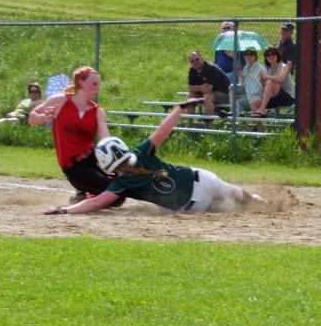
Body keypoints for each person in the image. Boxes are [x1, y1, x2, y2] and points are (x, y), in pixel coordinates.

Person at [43, 99, 265, 216]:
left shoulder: (120, 183)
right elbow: (162, 131)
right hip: (203, 179)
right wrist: (179, 108)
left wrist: (65, 210)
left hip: (191, 205)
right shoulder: (140, 152)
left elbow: (96, 202)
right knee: (234, 193)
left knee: (171, 209)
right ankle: (258, 202)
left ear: (106, 164)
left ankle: (239, 203)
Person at [28, 66, 124, 205]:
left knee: (121, 186)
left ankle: (86, 194)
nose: (97, 89)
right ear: (81, 83)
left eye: (98, 85)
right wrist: (44, 116)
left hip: (92, 159)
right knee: (116, 196)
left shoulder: (97, 112)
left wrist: (118, 164)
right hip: (74, 166)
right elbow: (32, 117)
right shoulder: (60, 101)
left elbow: (105, 142)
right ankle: (86, 197)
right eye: (94, 84)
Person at [187, 50, 230, 126]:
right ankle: (190, 124)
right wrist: (200, 87)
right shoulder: (192, 70)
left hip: (225, 95)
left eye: (197, 59)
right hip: (209, 94)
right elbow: (190, 88)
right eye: (192, 61)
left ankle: (209, 126)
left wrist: (196, 88)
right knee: (191, 96)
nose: (195, 62)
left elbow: (208, 90)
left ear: (202, 58)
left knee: (207, 96)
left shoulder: (210, 68)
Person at [219, 47, 265, 117]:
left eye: (251, 54)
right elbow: (243, 84)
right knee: (232, 87)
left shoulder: (260, 68)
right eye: (246, 54)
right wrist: (240, 72)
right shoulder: (246, 68)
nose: (248, 56)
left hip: (256, 97)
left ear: (256, 56)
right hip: (248, 95)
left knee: (242, 104)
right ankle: (233, 111)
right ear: (244, 56)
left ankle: (239, 115)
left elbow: (263, 85)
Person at [251, 47, 295, 117]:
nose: (271, 56)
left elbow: (280, 79)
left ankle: (261, 110)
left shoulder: (284, 66)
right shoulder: (266, 69)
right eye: (268, 55)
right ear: (266, 58)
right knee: (255, 102)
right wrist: (262, 81)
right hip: (274, 97)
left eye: (273, 54)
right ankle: (258, 126)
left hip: (288, 97)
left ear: (277, 56)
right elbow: (266, 88)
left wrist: (266, 77)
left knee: (270, 82)